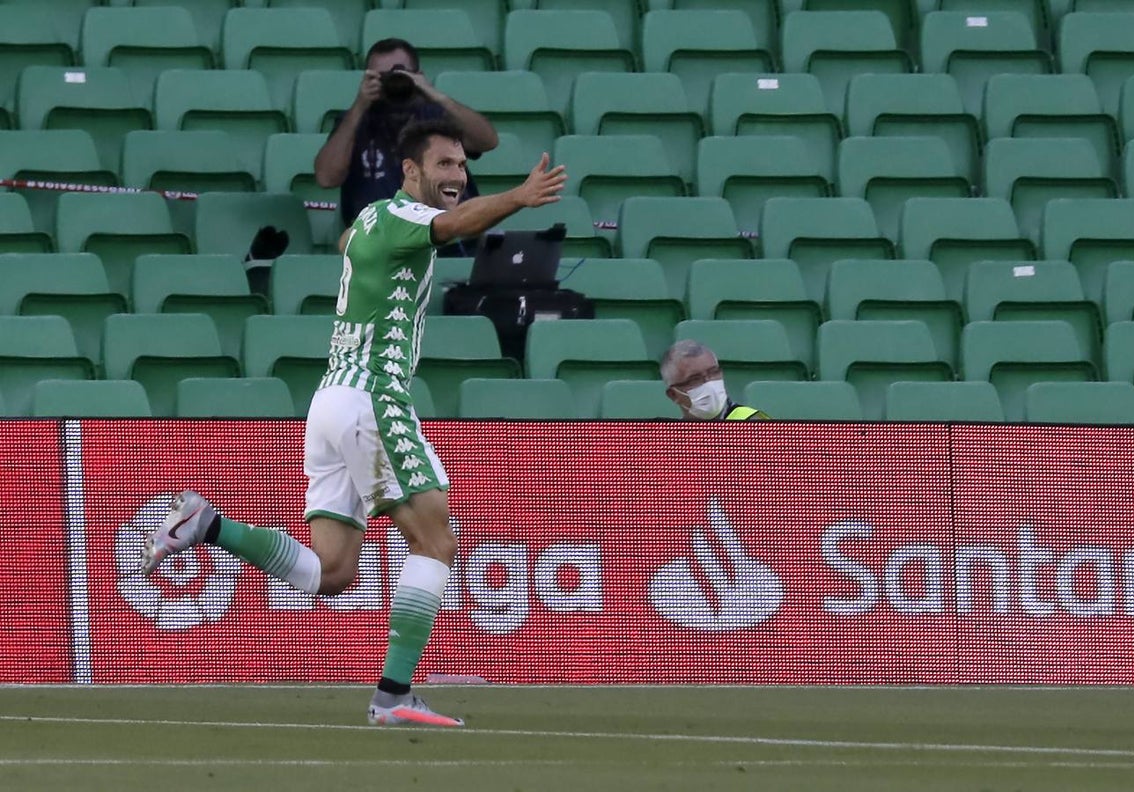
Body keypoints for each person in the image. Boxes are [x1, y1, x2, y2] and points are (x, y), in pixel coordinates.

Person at [142, 118, 566, 727]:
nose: (458, 176)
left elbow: (350, 241)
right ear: (411, 171)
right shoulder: (407, 221)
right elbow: (450, 226)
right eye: (444, 165)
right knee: (436, 541)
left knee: (333, 573)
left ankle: (209, 525)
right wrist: (518, 199)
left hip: (329, 402)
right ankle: (393, 696)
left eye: (461, 166)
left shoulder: (373, 219)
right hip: (373, 396)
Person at [313, 38, 499, 256]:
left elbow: (487, 141)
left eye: (398, 74)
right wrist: (360, 104)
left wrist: (432, 93)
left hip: (449, 240)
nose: (391, 82)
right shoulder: (355, 122)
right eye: (382, 77)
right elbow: (326, 178)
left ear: (416, 74)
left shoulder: (435, 116)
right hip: (383, 245)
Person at [661, 339, 769, 421]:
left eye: (714, 372)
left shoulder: (753, 425)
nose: (709, 383)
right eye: (695, 379)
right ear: (673, 395)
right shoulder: (670, 440)